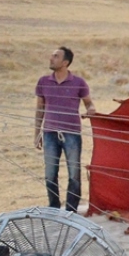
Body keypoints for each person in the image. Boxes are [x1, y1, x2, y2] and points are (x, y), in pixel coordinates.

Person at [35, 47, 95, 212]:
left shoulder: (79, 82)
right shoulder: (43, 82)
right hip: (49, 133)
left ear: (65, 62)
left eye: (56, 56)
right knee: (50, 174)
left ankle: (71, 210)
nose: (51, 58)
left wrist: (91, 110)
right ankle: (54, 207)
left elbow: (89, 103)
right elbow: (39, 109)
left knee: (74, 173)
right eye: (52, 55)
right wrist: (37, 133)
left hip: (72, 133)